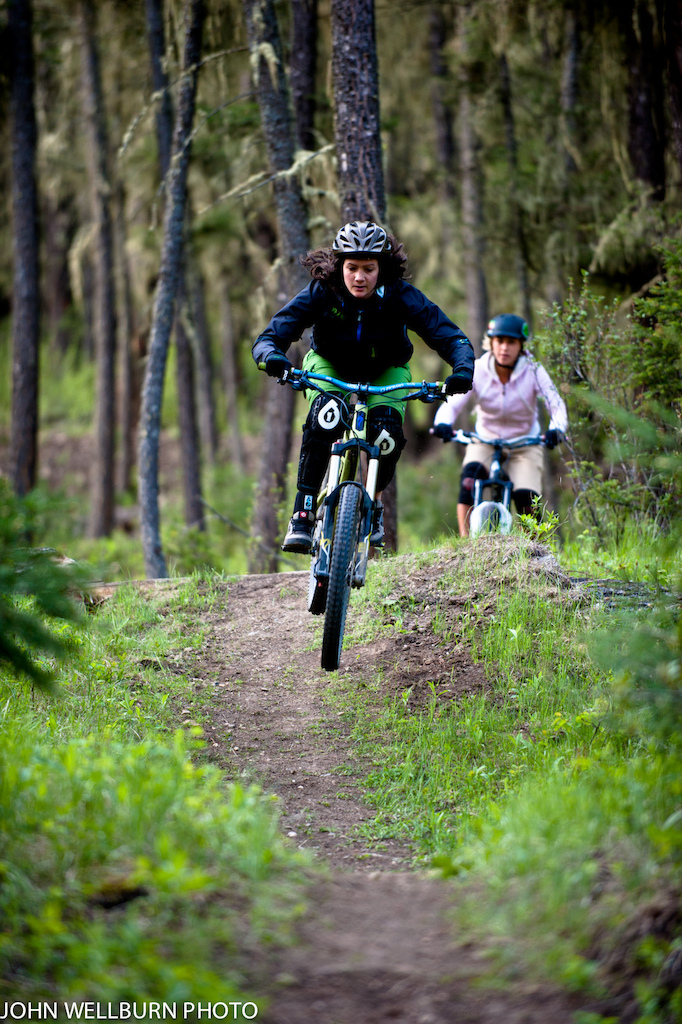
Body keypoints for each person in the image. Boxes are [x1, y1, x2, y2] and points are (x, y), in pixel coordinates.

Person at [253, 220, 475, 553]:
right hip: (329, 364)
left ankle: (374, 505)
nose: (360, 277)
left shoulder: (400, 294)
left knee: (385, 435)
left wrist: (462, 370)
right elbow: (269, 337)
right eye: (352, 267)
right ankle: (303, 509)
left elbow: (451, 337)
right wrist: (273, 358)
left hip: (386, 369)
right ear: (339, 265)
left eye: (369, 269)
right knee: (325, 416)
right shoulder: (322, 291)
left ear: (381, 268)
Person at [432, 313, 568, 537]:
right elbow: (453, 404)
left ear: (521, 346)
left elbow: (557, 405)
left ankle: (535, 552)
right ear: (491, 343)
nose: (504, 348)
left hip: (524, 443)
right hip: (485, 439)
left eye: (511, 342)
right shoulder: (478, 368)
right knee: (468, 481)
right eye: (499, 341)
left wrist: (557, 429)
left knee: (526, 499)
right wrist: (443, 423)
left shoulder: (534, 370)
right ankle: (466, 545)